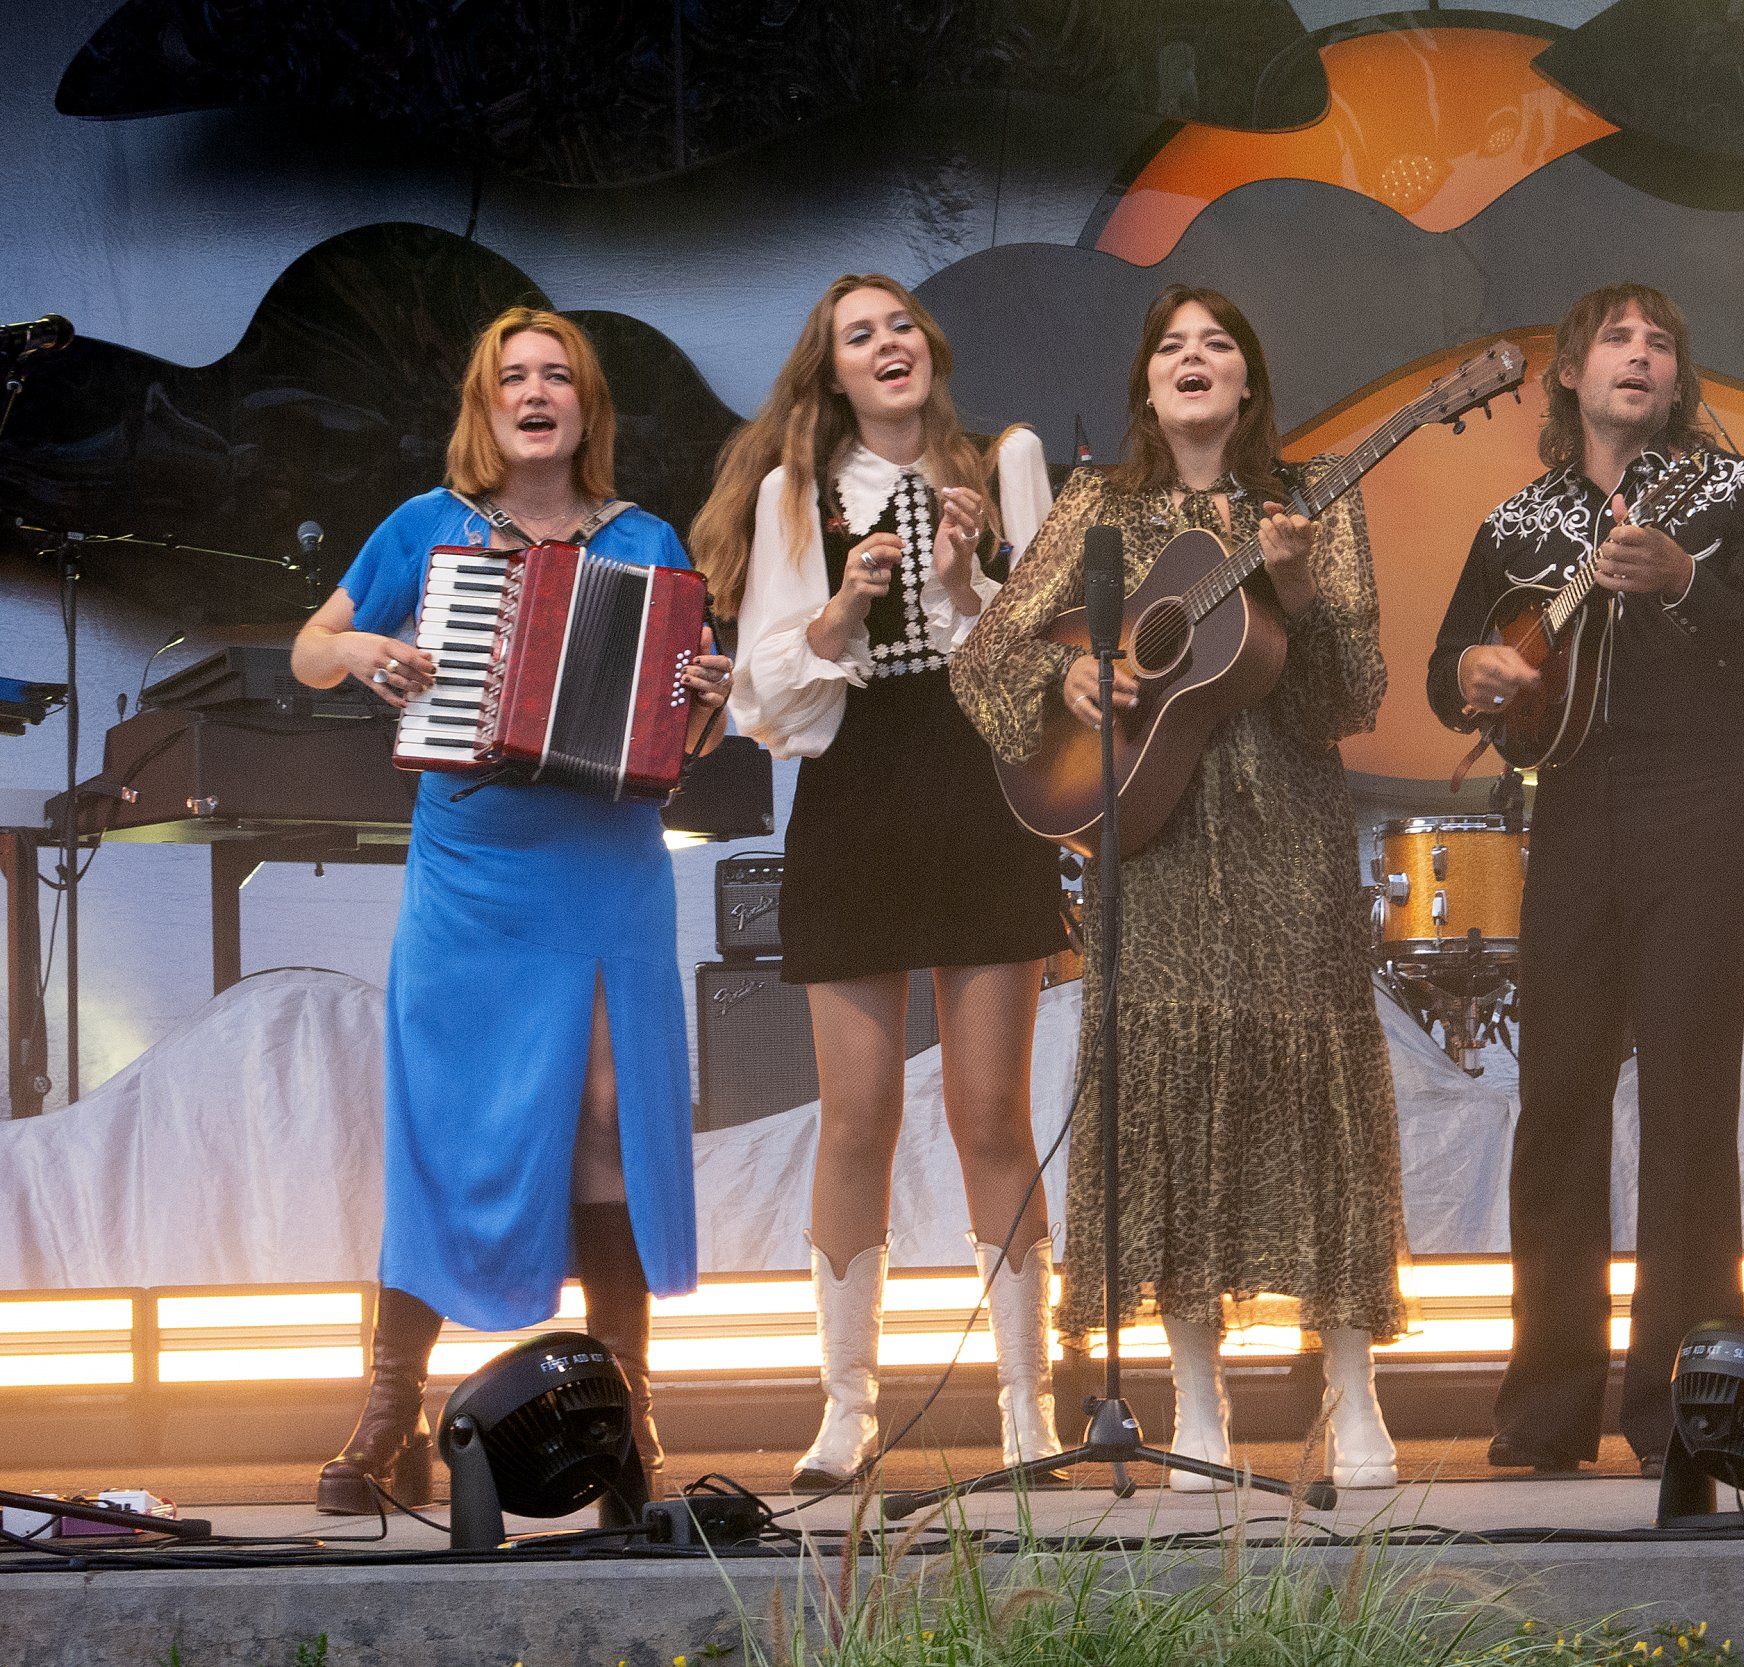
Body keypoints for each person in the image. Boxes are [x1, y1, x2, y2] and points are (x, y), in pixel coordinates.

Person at [952, 284, 1408, 1491]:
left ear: (1249, 382)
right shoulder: (1100, 504)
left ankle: (1350, 1386)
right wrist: (1073, 684)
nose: (1194, 359)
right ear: (1148, 385)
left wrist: (1299, 596)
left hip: (1287, 834)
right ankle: (1191, 1399)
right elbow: (990, 651)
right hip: (1150, 845)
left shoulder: (1307, 500)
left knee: (1314, 1102)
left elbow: (1348, 695)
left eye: (1218, 345)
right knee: (1161, 1096)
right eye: (1172, 346)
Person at [292, 306, 731, 1514]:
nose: (536, 391)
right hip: (474, 860)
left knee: (603, 1115)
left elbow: (686, 726)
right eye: (512, 376)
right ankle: (387, 1412)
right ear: (484, 406)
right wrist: (372, 649)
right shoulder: (425, 529)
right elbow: (309, 650)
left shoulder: (644, 538)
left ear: (587, 407)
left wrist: (712, 690)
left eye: (558, 376)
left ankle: (622, 1419)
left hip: (604, 859)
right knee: (447, 1118)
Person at [1425, 283, 1744, 1491]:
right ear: (1571, 374)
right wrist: (1476, 669)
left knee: (1693, 1112)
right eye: (1616, 339)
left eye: (1661, 342)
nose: (1640, 355)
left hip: (1696, 801)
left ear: (1678, 378)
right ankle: (1543, 1411)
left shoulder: (1733, 498)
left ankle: (1686, 1414)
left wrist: (1689, 579)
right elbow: (1450, 669)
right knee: (1557, 1109)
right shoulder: (1519, 520)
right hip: (1572, 813)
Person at [692, 275, 1066, 1492]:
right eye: (860, 336)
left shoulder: (1004, 461)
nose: (886, 344)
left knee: (991, 1115)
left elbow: (1043, 658)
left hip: (978, 795)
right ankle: (845, 1408)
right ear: (833, 373)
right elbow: (765, 702)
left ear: (928, 347)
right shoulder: (792, 495)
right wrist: (843, 607)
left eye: (898, 324)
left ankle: (1028, 1405)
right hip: (854, 799)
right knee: (855, 1118)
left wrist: (966, 585)